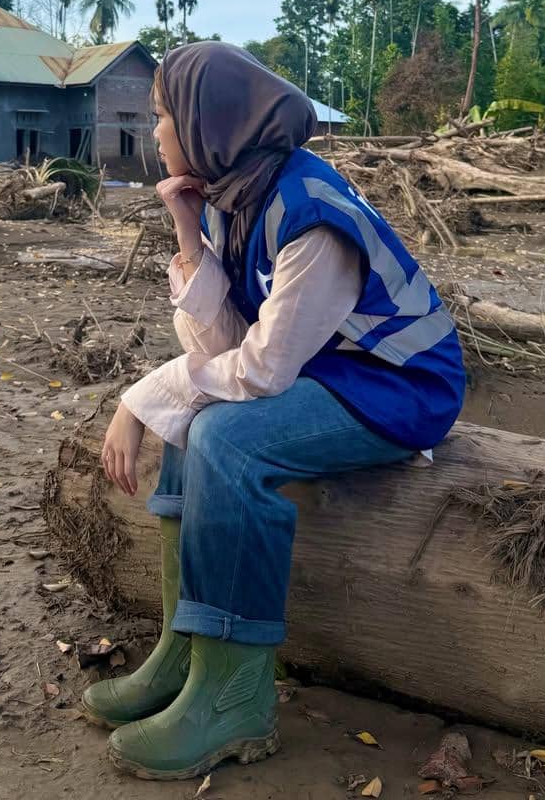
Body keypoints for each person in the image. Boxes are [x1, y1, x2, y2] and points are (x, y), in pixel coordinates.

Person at [84, 42, 466, 781]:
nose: (155, 132)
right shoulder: (236, 195)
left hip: (400, 386)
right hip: (330, 369)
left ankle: (235, 700)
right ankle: (183, 653)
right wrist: (189, 233)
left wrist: (141, 398)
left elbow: (258, 371)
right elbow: (224, 343)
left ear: (207, 121)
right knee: (194, 421)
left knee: (225, 437)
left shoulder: (306, 212)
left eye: (162, 116)